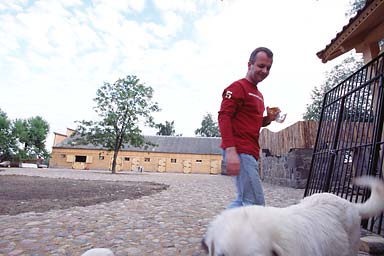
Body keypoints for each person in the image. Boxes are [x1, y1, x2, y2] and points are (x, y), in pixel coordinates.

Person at [218, 47, 279, 209]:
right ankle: (217, 234)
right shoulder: (237, 87)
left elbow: (254, 122)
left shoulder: (259, 95)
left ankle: (218, 234)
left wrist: (269, 119)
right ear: (249, 64)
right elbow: (224, 117)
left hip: (251, 151)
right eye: (261, 66)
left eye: (268, 68)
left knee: (245, 201)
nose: (264, 71)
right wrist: (231, 151)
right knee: (255, 204)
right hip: (240, 149)